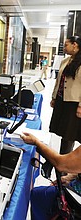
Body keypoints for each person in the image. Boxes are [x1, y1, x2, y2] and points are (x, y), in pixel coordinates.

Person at [42, 36, 81, 178]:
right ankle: (60, 163)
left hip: (73, 104)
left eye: (66, 45)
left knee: (69, 135)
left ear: (75, 45)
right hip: (62, 102)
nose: (64, 47)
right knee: (63, 133)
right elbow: (59, 81)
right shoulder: (66, 61)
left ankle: (63, 167)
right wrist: (54, 97)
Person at [21, 132, 81, 220]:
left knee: (38, 195)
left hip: (77, 199)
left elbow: (60, 163)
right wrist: (71, 176)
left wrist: (36, 142)